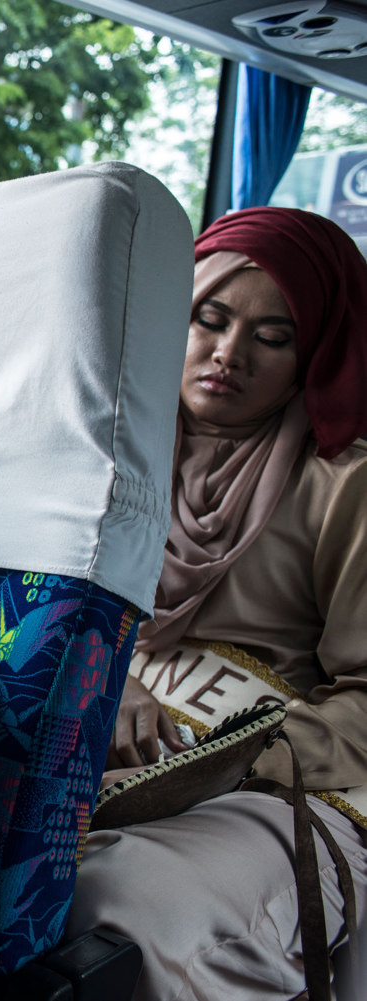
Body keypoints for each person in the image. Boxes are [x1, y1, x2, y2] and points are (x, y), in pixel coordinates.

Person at [66, 207, 367, 1000]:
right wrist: (102, 681)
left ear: (317, 355)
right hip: (99, 752)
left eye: (273, 337)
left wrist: (232, 759)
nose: (228, 355)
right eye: (209, 319)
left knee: (121, 907)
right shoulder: (109, 448)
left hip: (293, 783)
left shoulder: (347, 485)